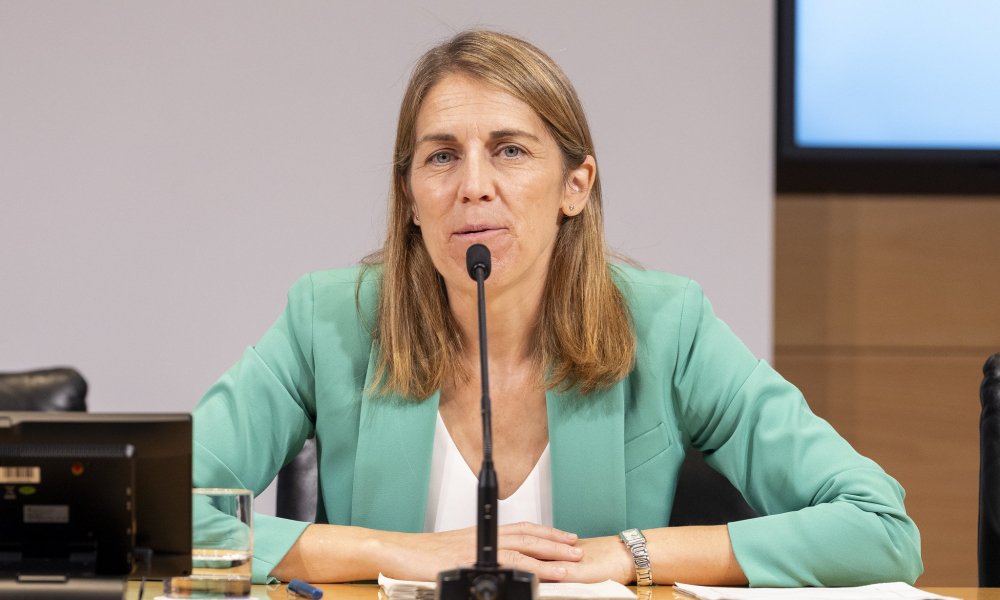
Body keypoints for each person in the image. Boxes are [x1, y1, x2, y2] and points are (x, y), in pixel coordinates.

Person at [192, 30, 923, 587]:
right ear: (409, 197)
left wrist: (630, 554)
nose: (473, 185)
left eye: (509, 151)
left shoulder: (667, 326)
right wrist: (399, 552)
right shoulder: (329, 321)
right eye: (441, 156)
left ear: (575, 186)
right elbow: (165, 516)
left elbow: (878, 525)